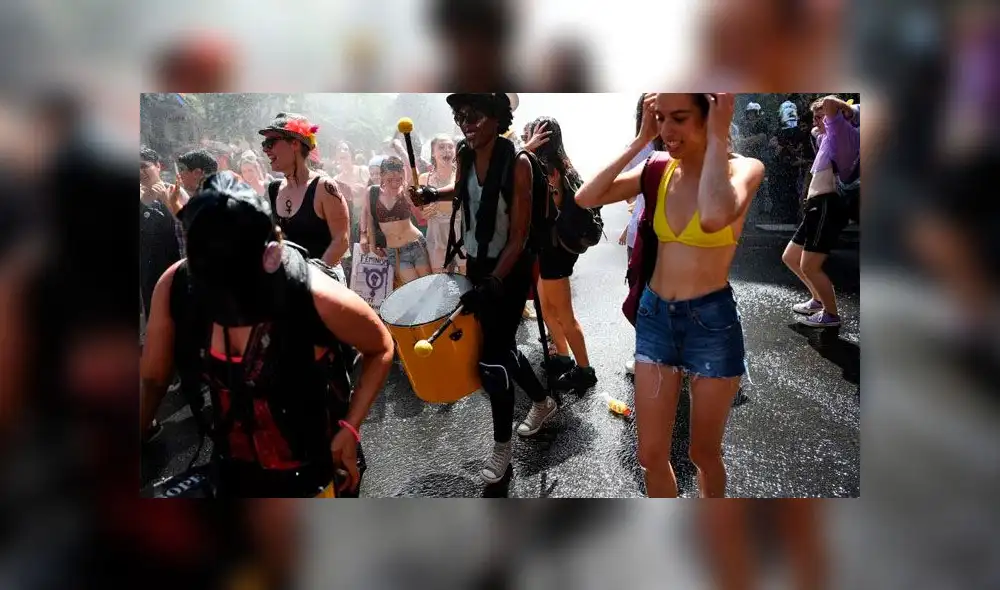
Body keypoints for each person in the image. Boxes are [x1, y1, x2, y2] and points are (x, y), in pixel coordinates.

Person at [139, 172, 394, 497]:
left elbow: (381, 346)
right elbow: (153, 379)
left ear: (271, 250)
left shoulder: (313, 294)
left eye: (240, 269)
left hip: (318, 468)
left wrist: (350, 426)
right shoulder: (174, 286)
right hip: (234, 470)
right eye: (214, 273)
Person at [575, 94, 764, 498]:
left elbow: (714, 215)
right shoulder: (658, 168)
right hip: (656, 317)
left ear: (711, 115)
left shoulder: (744, 168)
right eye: (661, 119)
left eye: (679, 118)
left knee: (704, 453)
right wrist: (639, 139)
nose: (667, 131)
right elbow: (586, 197)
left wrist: (715, 138)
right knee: (650, 454)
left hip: (711, 325)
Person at [409, 93, 557, 484]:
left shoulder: (520, 163)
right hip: (477, 266)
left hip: (508, 271)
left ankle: (502, 449)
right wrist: (431, 195)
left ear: (497, 115)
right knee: (502, 348)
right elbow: (465, 191)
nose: (465, 122)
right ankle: (542, 402)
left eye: (473, 114)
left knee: (491, 360)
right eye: (459, 115)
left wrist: (493, 282)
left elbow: (520, 236)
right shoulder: (465, 153)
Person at [522, 116, 598, 391]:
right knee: (546, 307)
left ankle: (585, 369)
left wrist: (526, 151)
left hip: (555, 252)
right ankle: (564, 358)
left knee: (564, 314)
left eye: (529, 132)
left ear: (541, 135)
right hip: (550, 250)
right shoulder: (559, 163)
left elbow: (547, 208)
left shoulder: (548, 167)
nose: (524, 136)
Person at [781, 96, 859, 328]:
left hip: (828, 205)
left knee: (809, 266)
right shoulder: (826, 136)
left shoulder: (844, 133)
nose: (817, 120)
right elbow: (817, 130)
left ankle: (831, 314)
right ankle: (817, 299)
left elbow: (831, 105)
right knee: (790, 258)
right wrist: (819, 123)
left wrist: (843, 109)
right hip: (815, 206)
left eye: (821, 115)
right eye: (814, 116)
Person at [260, 113, 351, 276]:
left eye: (271, 142)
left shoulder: (324, 187)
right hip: (288, 284)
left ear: (294, 143)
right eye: (264, 143)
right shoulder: (273, 188)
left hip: (324, 285)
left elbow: (341, 241)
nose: (265, 149)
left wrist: (310, 278)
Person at [619, 95, 660, 376]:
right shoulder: (639, 147)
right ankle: (646, 350)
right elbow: (623, 191)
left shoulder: (681, 142)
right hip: (641, 233)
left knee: (660, 296)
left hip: (670, 236)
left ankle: (657, 351)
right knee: (639, 294)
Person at [361, 156, 432, 286]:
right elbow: (370, 217)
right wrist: (370, 243)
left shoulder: (405, 191)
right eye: (390, 180)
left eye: (398, 179)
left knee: (427, 286)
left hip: (417, 245)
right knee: (413, 289)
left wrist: (401, 149)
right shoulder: (372, 192)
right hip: (397, 252)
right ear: (382, 176)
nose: (395, 183)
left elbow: (411, 171)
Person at [418, 134, 461, 273]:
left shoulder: (462, 174)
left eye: (450, 147)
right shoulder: (424, 179)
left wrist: (434, 204)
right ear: (433, 153)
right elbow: (422, 210)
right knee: (441, 281)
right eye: (441, 147)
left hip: (461, 231)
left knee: (466, 280)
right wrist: (424, 211)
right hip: (436, 234)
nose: (447, 150)